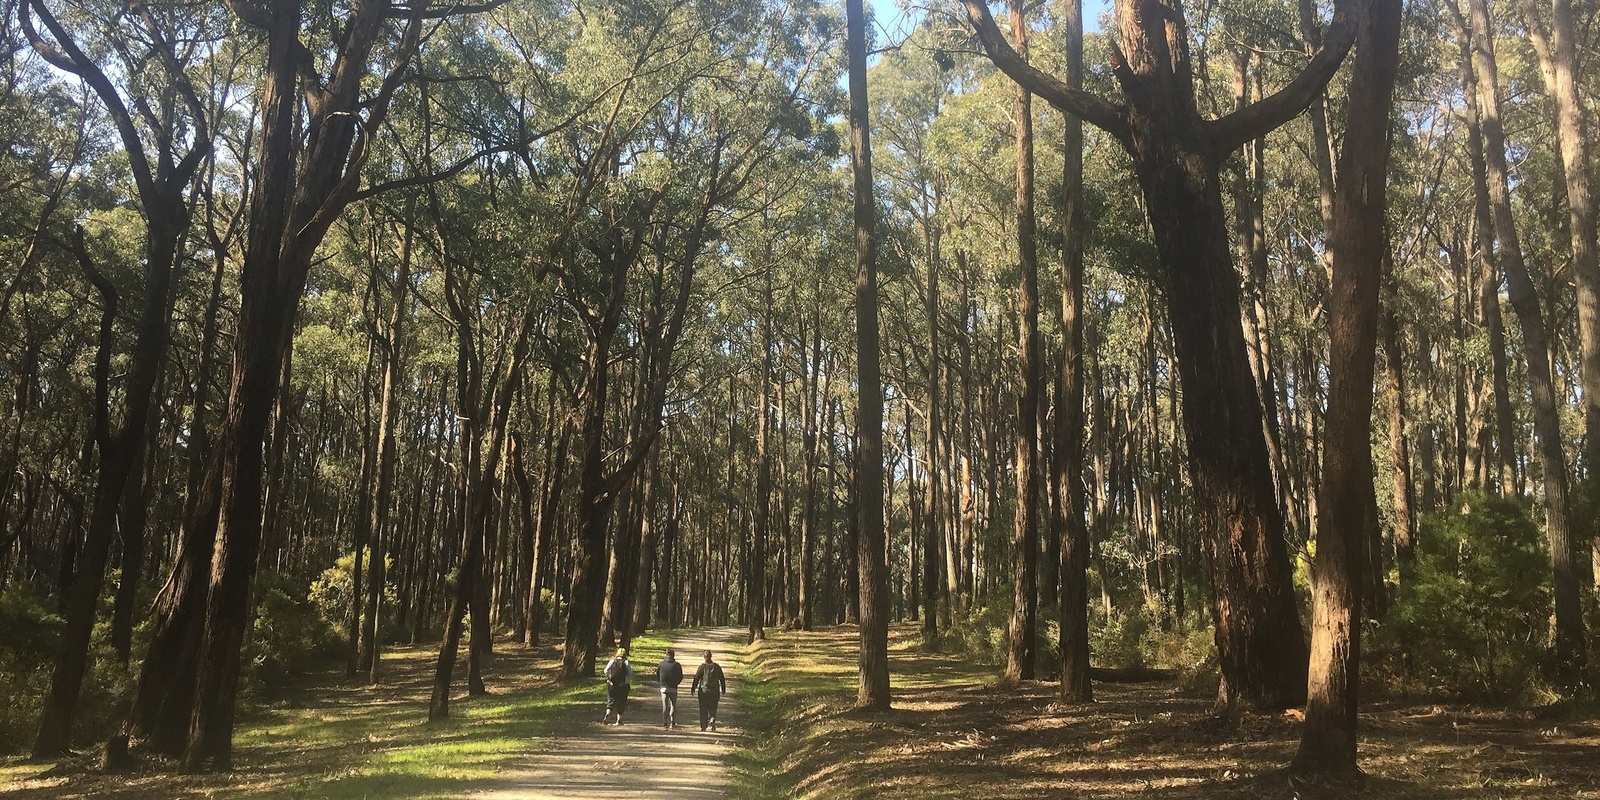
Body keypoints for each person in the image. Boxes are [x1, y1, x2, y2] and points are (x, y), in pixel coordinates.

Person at [691, 650, 727, 732]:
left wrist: (693, 688)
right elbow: (722, 678)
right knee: (713, 706)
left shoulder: (702, 667)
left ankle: (703, 726)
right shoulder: (717, 667)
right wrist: (723, 688)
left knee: (703, 707)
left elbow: (696, 678)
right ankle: (712, 719)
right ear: (711, 656)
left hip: (703, 690)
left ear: (704, 657)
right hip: (714, 690)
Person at [657, 648, 684, 729]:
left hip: (663, 687)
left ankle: (665, 722)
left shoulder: (661, 664)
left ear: (666, 654)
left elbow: (657, 675)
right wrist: (676, 683)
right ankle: (672, 722)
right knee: (673, 705)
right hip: (673, 687)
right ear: (673, 655)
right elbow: (680, 676)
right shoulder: (677, 665)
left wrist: (661, 683)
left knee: (665, 706)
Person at [603, 647, 631, 726]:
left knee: (611, 700)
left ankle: (608, 713)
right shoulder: (626, 662)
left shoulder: (612, 661)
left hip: (611, 685)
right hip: (623, 685)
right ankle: (619, 720)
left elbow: (605, 671)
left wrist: (610, 679)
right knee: (621, 701)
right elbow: (630, 673)